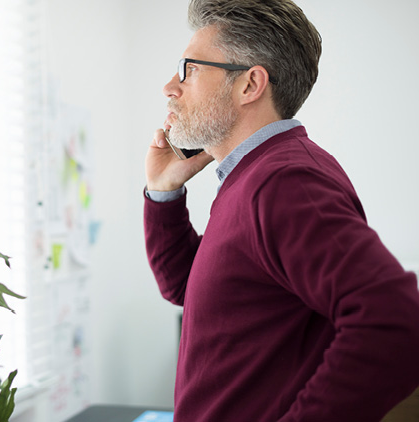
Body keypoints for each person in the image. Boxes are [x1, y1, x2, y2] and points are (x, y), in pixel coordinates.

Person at [143, 0, 419, 421]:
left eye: (189, 69)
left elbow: (396, 322)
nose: (170, 87)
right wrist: (163, 191)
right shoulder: (252, 177)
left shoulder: (285, 182)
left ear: (250, 85)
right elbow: (189, 287)